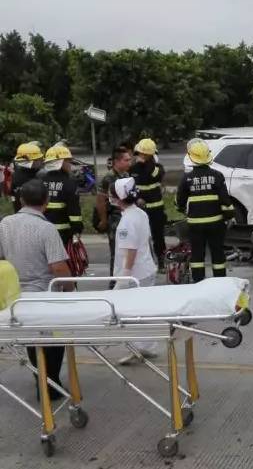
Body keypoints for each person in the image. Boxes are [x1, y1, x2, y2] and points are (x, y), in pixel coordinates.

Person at [0, 179, 73, 399]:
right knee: (54, 339)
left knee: (33, 339)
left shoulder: (5, 224)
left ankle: (42, 381)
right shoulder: (47, 229)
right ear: (47, 201)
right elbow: (58, 267)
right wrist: (70, 290)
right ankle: (51, 383)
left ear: (21, 200)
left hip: (16, 295)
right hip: (44, 294)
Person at [109, 177, 158, 364]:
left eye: (111, 195)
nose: (109, 197)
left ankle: (136, 348)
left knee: (129, 313)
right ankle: (147, 347)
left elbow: (130, 250)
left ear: (119, 198)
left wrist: (125, 277)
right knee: (145, 310)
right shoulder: (140, 213)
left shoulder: (127, 222)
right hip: (146, 269)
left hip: (134, 273)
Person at [176, 140, 235, 282]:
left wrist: (181, 208)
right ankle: (220, 282)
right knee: (217, 253)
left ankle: (199, 283)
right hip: (216, 224)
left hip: (195, 225)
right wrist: (229, 216)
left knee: (197, 255)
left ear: (191, 157)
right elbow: (225, 201)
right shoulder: (217, 176)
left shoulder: (187, 178)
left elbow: (180, 202)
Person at [96, 146, 132, 281]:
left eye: (130, 160)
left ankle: (126, 278)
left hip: (126, 218)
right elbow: (100, 200)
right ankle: (114, 281)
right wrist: (103, 220)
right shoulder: (109, 178)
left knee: (127, 250)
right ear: (117, 161)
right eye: (126, 160)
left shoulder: (126, 176)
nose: (129, 162)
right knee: (116, 252)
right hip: (115, 219)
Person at [129, 138, 167, 271]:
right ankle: (146, 264)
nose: (139, 155)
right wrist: (137, 198)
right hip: (140, 209)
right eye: (139, 153)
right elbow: (131, 185)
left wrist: (146, 163)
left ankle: (162, 263)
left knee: (158, 237)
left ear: (150, 155)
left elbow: (151, 175)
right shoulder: (133, 168)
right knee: (142, 238)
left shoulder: (157, 168)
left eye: (142, 153)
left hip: (156, 208)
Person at [40, 145, 83, 248]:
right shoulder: (69, 183)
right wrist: (77, 230)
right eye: (68, 161)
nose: (70, 165)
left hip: (41, 232)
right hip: (63, 235)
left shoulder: (40, 181)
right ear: (61, 162)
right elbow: (74, 212)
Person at [10, 142, 44, 213]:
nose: (42, 161)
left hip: (19, 213)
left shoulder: (15, 175)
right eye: (39, 159)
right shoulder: (39, 176)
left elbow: (12, 195)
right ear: (32, 161)